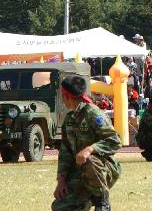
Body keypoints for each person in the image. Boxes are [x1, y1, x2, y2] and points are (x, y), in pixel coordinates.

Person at [53, 75, 121, 211]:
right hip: (79, 173)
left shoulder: (93, 113)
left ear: (65, 95)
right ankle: (86, 200)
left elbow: (115, 141)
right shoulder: (69, 119)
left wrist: (90, 149)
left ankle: (102, 202)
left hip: (102, 169)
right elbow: (65, 152)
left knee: (88, 159)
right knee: (60, 207)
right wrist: (61, 180)